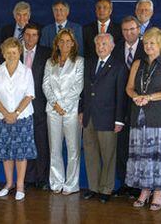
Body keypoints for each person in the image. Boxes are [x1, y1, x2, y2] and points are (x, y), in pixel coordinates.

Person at [125, 27, 161, 211]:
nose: (148, 46)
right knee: (141, 155)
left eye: (152, 43)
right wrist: (135, 96)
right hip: (138, 117)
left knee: (157, 157)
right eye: (145, 43)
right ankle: (144, 191)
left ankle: (158, 192)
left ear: (160, 44)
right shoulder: (137, 63)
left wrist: (149, 97)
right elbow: (129, 88)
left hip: (159, 118)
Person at [80, 33, 128, 203]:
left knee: (108, 155)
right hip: (89, 117)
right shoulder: (90, 62)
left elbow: (121, 96)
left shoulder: (119, 66)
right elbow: (84, 90)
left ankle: (106, 189)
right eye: (98, 44)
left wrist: (119, 120)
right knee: (90, 153)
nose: (100, 47)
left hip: (108, 118)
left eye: (104, 44)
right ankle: (93, 187)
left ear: (112, 46)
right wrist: (81, 111)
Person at [0, 38, 37, 201]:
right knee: (6, 152)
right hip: (0, 117)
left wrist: (15, 113)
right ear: (3, 53)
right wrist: (6, 113)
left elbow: (29, 95)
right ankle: (8, 184)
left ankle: (20, 185)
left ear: (20, 53)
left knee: (21, 152)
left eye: (14, 52)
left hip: (22, 117)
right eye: (8, 52)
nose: (11, 55)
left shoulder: (27, 71)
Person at [42, 28, 84, 195]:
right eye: (62, 41)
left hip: (71, 111)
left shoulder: (79, 61)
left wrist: (63, 106)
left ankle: (71, 184)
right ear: (57, 43)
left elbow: (78, 87)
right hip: (52, 111)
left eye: (68, 41)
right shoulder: (50, 62)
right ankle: (56, 182)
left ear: (73, 43)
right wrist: (55, 104)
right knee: (55, 148)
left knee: (73, 149)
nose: (65, 44)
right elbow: (45, 84)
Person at [111, 16, 145, 198]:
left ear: (138, 29)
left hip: (141, 103)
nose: (129, 33)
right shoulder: (116, 47)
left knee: (138, 147)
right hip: (120, 105)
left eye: (132, 29)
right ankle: (124, 182)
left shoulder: (147, 47)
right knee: (122, 146)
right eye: (125, 30)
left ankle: (139, 185)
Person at [22, 24, 52, 190]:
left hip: (39, 103)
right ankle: (27, 177)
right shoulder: (14, 52)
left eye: (34, 35)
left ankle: (41, 178)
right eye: (27, 34)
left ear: (38, 37)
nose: (30, 38)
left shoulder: (46, 53)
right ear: (23, 35)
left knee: (40, 142)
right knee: (25, 142)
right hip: (19, 106)